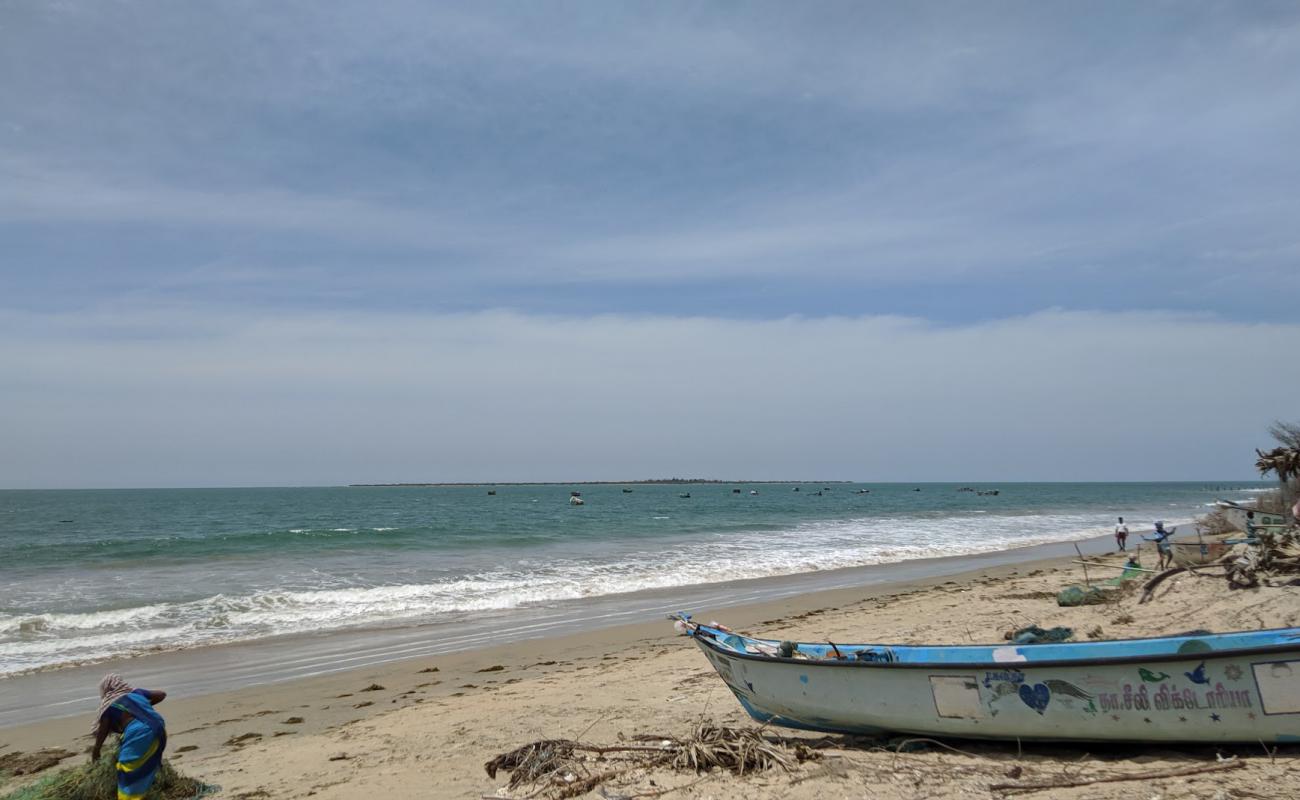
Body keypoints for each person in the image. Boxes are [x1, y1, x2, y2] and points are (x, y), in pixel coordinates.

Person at [91, 674, 167, 800]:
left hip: (139, 732)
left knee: (126, 767)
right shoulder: (138, 693)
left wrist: (96, 750)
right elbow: (161, 694)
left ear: (105, 689)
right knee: (149, 760)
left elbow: (103, 731)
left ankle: (128, 798)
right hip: (159, 727)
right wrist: (141, 706)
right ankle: (148, 792)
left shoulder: (109, 705)